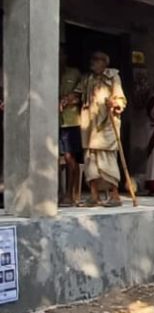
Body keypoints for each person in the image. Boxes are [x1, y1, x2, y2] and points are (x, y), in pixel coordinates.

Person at [76, 52, 127, 207]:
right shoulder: (88, 78)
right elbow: (78, 93)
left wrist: (115, 103)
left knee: (107, 158)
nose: (93, 63)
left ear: (104, 62)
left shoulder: (113, 77)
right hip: (90, 124)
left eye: (96, 60)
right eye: (92, 60)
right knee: (90, 158)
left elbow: (121, 99)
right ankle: (94, 195)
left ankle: (115, 196)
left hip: (106, 124)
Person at [58, 50, 83, 207]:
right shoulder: (49, 70)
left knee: (69, 158)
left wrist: (67, 100)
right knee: (52, 159)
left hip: (70, 121)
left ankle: (69, 194)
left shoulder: (74, 73)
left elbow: (81, 93)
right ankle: (57, 193)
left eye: (62, 55)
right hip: (51, 121)